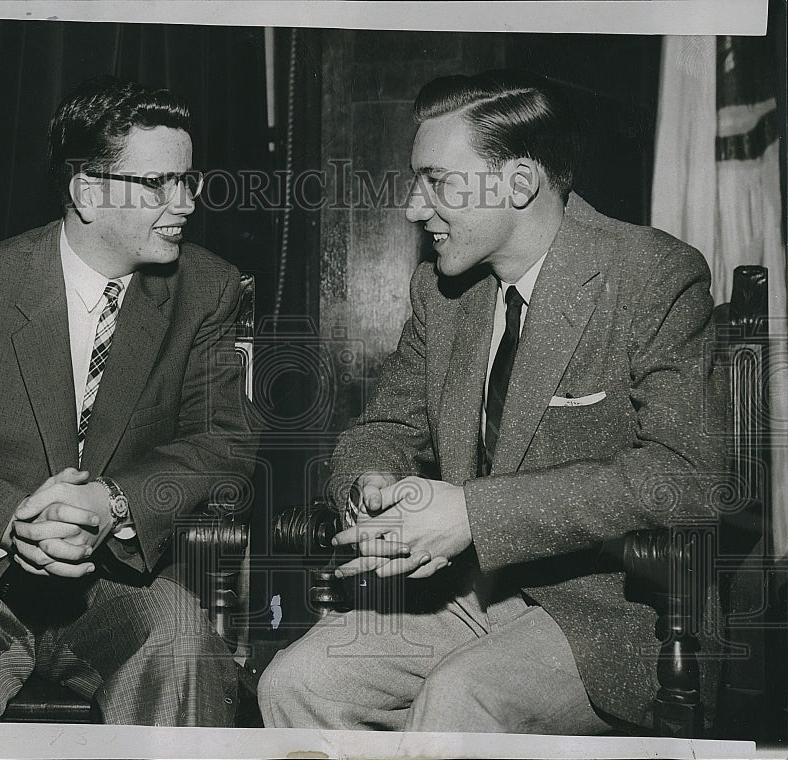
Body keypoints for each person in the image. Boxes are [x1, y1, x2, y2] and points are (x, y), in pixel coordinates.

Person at [259, 69, 724, 733]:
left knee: (461, 697)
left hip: (620, 609)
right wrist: (375, 487)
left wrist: (475, 514)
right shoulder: (442, 293)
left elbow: (686, 481)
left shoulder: (650, 276)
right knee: (294, 684)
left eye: (437, 181)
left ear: (519, 183)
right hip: (470, 592)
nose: (416, 209)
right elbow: (383, 427)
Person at [0, 75, 256, 725]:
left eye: (189, 180)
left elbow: (222, 440)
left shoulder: (207, 289)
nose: (186, 203)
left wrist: (114, 502)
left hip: (122, 585)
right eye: (158, 184)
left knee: (184, 651)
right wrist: (7, 521)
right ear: (87, 193)